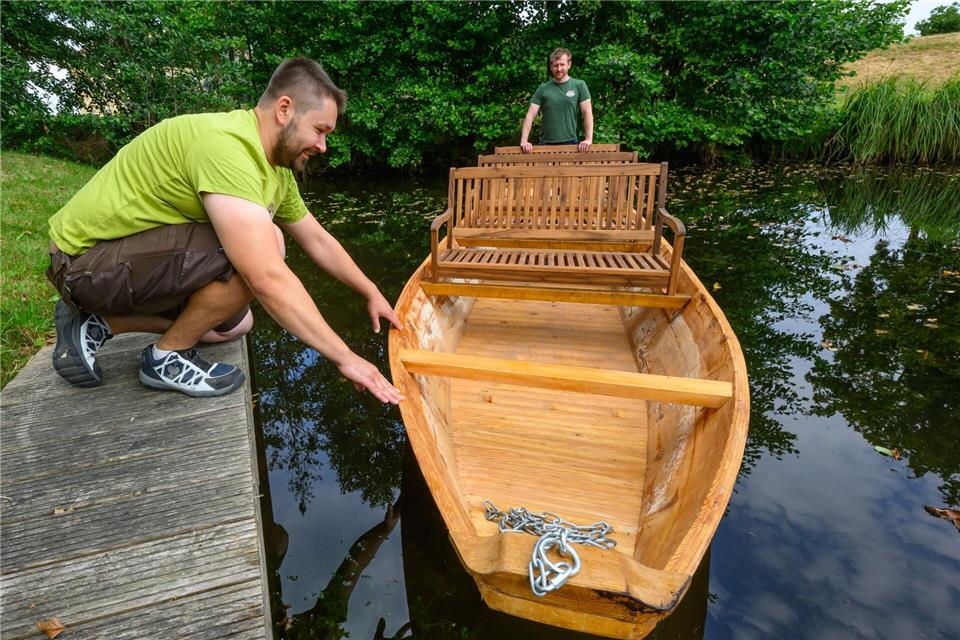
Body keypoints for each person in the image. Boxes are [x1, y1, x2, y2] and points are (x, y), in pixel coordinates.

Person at [46, 56, 404, 404]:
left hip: (122, 264)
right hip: (81, 261)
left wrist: (370, 291)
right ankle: (164, 358)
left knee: (232, 326)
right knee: (266, 246)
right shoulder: (227, 146)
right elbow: (265, 276)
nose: (323, 146)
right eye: (320, 130)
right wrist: (345, 356)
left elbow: (317, 239)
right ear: (284, 110)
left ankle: (99, 322)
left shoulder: (275, 170)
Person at [519, 47, 593, 153]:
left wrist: (588, 139)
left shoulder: (579, 85)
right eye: (555, 65)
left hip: (571, 144)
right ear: (551, 67)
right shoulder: (543, 88)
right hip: (545, 144)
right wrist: (524, 141)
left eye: (562, 64)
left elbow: (587, 113)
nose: (559, 69)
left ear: (569, 64)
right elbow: (530, 115)